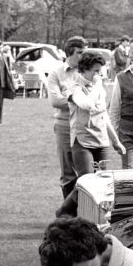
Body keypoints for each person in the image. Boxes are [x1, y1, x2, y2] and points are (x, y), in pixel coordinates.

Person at [68, 51, 125, 180]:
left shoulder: (98, 85)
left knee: (103, 182)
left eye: (100, 71)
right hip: (83, 142)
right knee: (87, 183)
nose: (99, 74)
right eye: (96, 71)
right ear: (84, 69)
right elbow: (87, 105)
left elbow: (104, 116)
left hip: (101, 141)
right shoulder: (75, 88)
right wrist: (96, 88)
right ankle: (69, 202)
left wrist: (116, 142)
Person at [46, 36, 87, 198]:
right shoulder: (56, 74)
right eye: (80, 52)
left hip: (85, 126)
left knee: (88, 171)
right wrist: (80, 100)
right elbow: (55, 101)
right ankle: (69, 216)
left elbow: (96, 100)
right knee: (68, 172)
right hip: (64, 126)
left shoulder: (87, 72)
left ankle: (86, 211)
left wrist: (69, 98)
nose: (83, 56)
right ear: (70, 52)